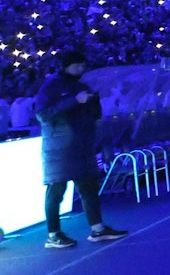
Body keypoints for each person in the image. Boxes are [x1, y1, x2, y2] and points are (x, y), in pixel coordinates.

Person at [35, 50, 128, 249]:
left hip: (82, 145)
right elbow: (43, 114)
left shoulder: (81, 85)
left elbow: (94, 115)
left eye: (83, 65)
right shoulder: (51, 86)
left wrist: (95, 104)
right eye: (77, 65)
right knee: (56, 189)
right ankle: (53, 234)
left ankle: (98, 228)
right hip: (59, 148)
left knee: (89, 188)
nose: (81, 69)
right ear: (66, 65)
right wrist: (74, 101)